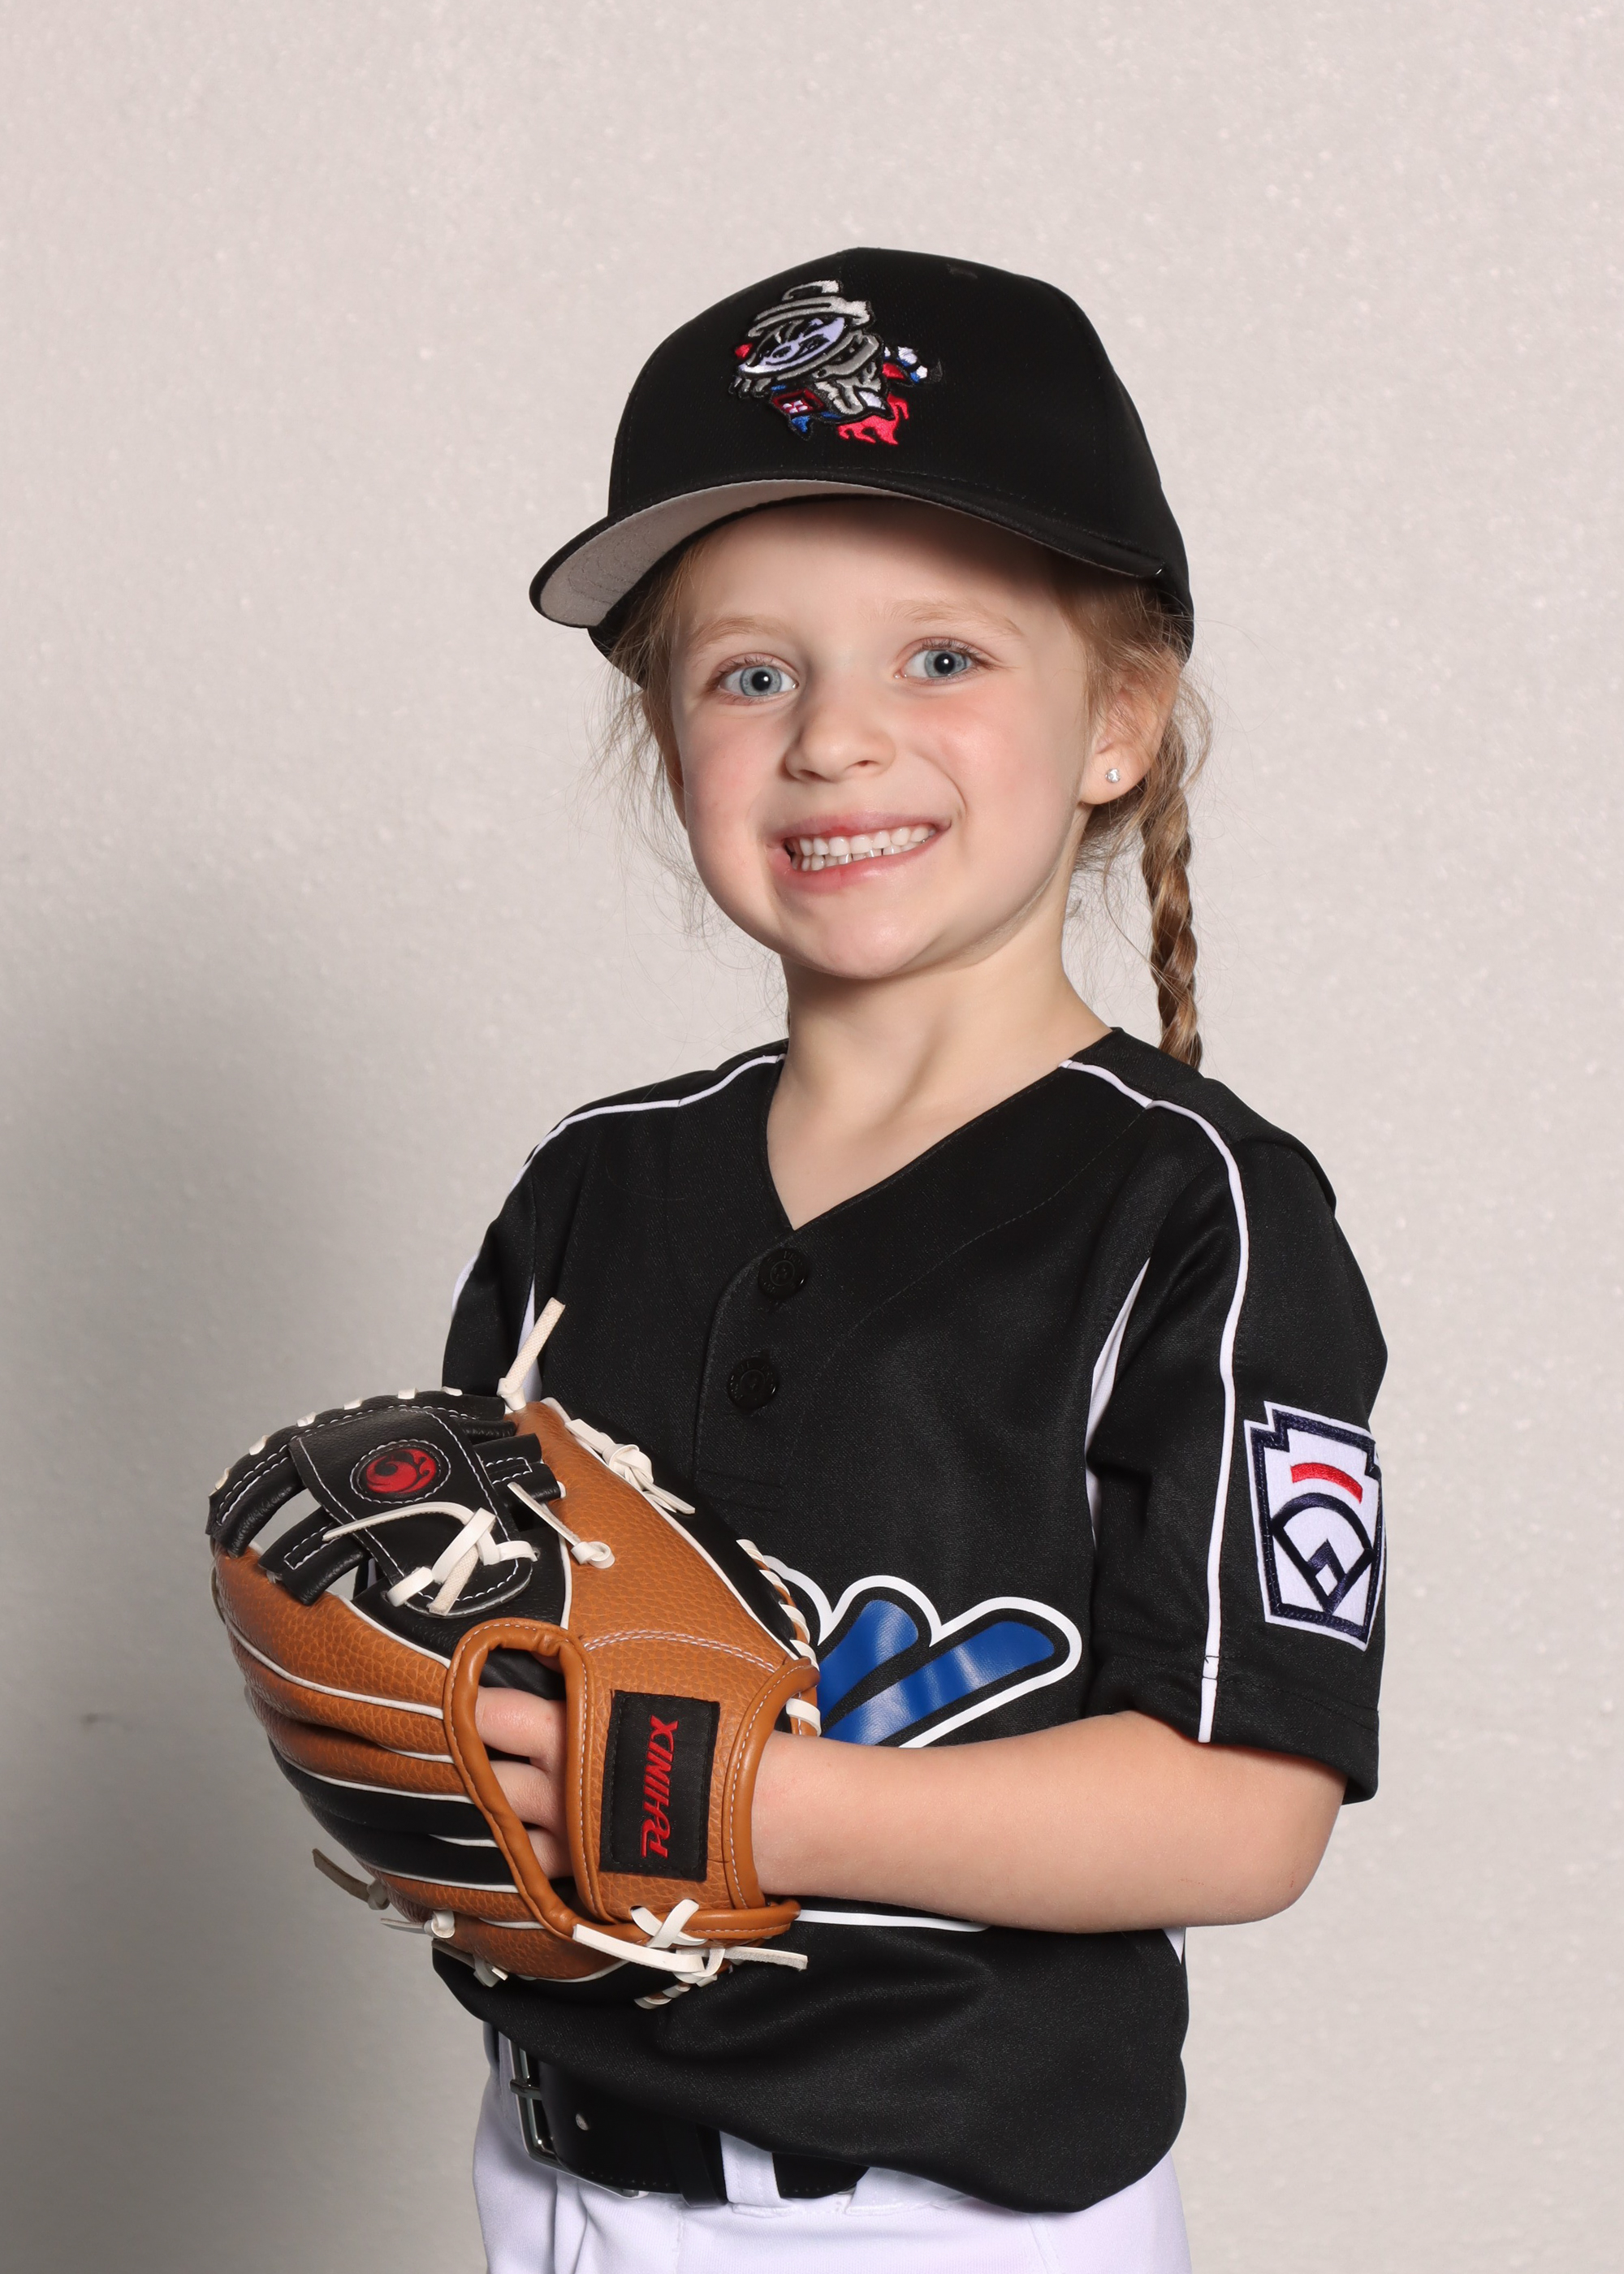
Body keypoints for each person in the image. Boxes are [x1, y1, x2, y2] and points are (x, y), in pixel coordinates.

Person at [438, 249, 1387, 2273]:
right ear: (666, 735)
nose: (834, 740)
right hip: (557, 2185)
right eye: (749, 672)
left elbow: (1248, 1808)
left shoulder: (1193, 1210)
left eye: (940, 656)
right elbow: (477, 1670)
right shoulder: (589, 1191)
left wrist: (744, 1799)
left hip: (955, 2226)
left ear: (1116, 717)